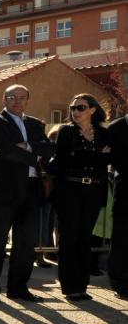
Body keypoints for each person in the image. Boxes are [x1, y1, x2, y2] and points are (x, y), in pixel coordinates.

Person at [0, 85, 55, 303]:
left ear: (27, 100)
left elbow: (49, 148)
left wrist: (27, 146)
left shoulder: (35, 124)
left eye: (21, 97)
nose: (17, 101)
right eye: (12, 97)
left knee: (26, 244)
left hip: (32, 190)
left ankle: (18, 288)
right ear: (4, 100)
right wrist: (34, 153)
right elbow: (4, 151)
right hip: (5, 192)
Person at [48, 93, 112, 302]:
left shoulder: (103, 133)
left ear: (92, 110)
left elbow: (108, 160)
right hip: (69, 190)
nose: (75, 112)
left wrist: (86, 156)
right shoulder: (66, 132)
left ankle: (82, 285)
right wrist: (97, 156)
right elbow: (64, 161)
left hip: (93, 191)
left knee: (84, 238)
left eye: (81, 108)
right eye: (73, 108)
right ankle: (70, 286)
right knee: (69, 238)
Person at [107, 112, 127, 299]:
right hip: (125, 191)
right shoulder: (116, 127)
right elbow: (116, 160)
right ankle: (120, 283)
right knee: (122, 238)